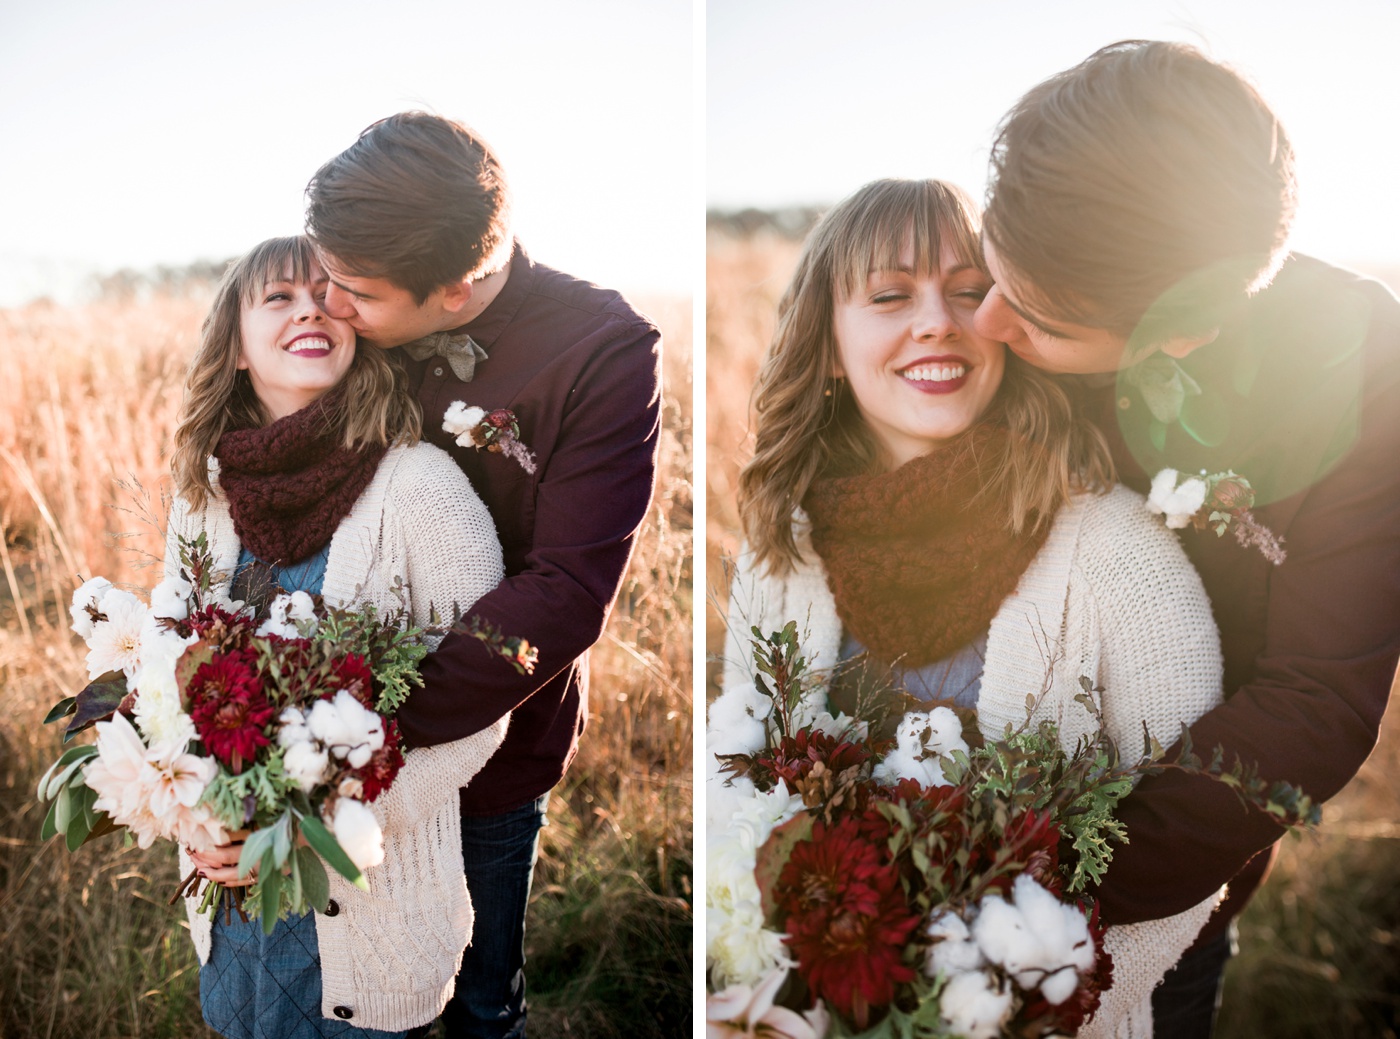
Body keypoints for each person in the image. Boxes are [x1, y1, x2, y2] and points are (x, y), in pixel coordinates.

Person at [709, 178, 1225, 1036]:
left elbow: (1192, 842)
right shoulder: (783, 547)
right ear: (829, 344)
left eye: (969, 290)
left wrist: (1034, 1007)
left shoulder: (1117, 555)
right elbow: (744, 789)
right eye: (889, 295)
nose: (938, 322)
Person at [972, 40, 1400, 1036]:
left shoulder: (1364, 379)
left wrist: (1027, 884)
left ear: (1183, 332)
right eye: (989, 274)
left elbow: (1311, 706)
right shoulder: (1031, 253)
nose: (984, 321)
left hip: (1152, 885)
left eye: (1034, 316)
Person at [302, 112, 662, 1038]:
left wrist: (369, 716)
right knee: (346, 991)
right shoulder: (342, 293)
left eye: (357, 294)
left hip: (489, 752)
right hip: (312, 741)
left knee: (473, 994)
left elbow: (565, 594)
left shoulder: (603, 352)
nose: (328, 306)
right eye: (325, 273)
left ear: (457, 288)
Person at [171, 235, 508, 1038]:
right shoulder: (203, 494)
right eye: (279, 298)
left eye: (328, 294)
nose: (310, 309)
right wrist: (196, 813)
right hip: (231, 908)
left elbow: (484, 705)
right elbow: (171, 684)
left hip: (367, 904)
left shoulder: (422, 486)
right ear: (238, 347)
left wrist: (319, 830)